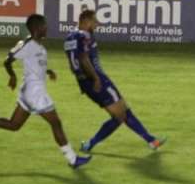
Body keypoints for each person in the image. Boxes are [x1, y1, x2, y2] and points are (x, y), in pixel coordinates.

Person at [0, 14, 91, 170]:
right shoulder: (27, 44)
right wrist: (12, 76)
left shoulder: (40, 46)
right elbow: (8, 60)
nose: (47, 28)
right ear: (37, 28)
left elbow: (34, 64)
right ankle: (72, 159)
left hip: (29, 92)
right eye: (44, 25)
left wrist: (47, 71)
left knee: (14, 125)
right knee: (56, 123)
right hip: (35, 93)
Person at [66, 10, 166, 153]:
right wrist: (95, 78)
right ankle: (90, 144)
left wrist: (82, 79)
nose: (97, 24)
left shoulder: (70, 37)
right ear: (86, 21)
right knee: (120, 115)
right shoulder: (83, 36)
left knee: (123, 110)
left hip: (86, 81)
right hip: (96, 79)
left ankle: (151, 140)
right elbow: (83, 59)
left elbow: (73, 64)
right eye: (94, 21)